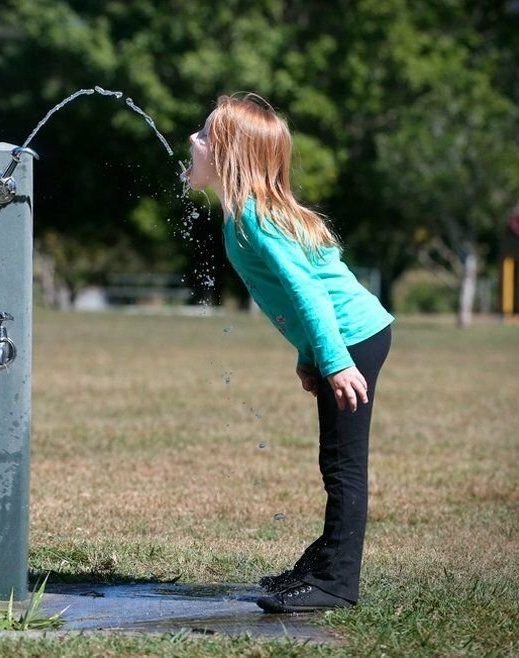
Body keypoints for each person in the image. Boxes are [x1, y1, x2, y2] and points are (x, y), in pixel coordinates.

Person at [184, 94, 393, 613]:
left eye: (206, 136)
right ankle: (320, 565)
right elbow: (299, 295)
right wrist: (310, 356)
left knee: (343, 465)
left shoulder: (253, 216)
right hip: (342, 340)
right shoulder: (245, 214)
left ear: (230, 154)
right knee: (335, 461)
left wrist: (335, 360)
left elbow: (309, 292)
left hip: (352, 339)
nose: (194, 141)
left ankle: (336, 583)